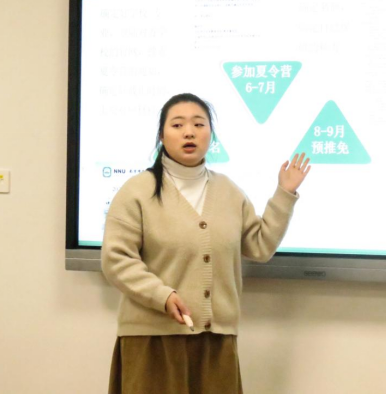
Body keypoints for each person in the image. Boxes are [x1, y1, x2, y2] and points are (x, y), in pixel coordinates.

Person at [102, 92, 312, 394]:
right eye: (177, 125)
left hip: (216, 343)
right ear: (161, 135)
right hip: (152, 340)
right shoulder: (137, 191)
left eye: (199, 124)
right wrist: (162, 295)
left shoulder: (228, 191)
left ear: (210, 134)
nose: (189, 132)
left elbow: (260, 245)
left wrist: (284, 193)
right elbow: (116, 260)